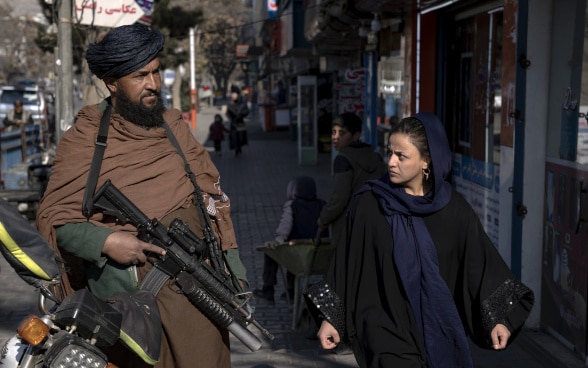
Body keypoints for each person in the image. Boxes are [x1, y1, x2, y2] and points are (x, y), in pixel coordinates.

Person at [36, 24, 248, 368]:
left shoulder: (174, 128)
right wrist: (107, 241)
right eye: (140, 76)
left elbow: (214, 204)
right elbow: (57, 222)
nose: (153, 84)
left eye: (156, 71)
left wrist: (238, 282)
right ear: (112, 83)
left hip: (198, 298)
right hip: (130, 309)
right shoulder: (86, 137)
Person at [304, 112, 535, 368]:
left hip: (438, 329)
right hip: (383, 330)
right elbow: (345, 263)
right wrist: (331, 318)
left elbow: (480, 265)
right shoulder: (369, 204)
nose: (391, 162)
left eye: (401, 156)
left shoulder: (453, 208)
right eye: (389, 152)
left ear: (427, 161)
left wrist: (499, 319)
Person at [317, 112, 387, 251]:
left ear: (355, 135)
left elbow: (339, 198)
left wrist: (324, 218)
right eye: (333, 132)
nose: (335, 137)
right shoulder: (376, 157)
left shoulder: (343, 160)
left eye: (342, 133)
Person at [253, 176, 327, 303]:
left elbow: (285, 226)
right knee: (294, 251)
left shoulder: (292, 205)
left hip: (299, 253)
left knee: (273, 251)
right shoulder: (323, 205)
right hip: (319, 254)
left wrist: (278, 240)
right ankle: (291, 291)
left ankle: (268, 289)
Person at [226, 92, 249, 156]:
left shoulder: (241, 105)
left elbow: (246, 112)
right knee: (235, 137)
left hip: (239, 123)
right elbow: (228, 114)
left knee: (240, 137)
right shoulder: (230, 105)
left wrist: (241, 115)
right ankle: (237, 148)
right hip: (234, 124)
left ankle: (239, 148)